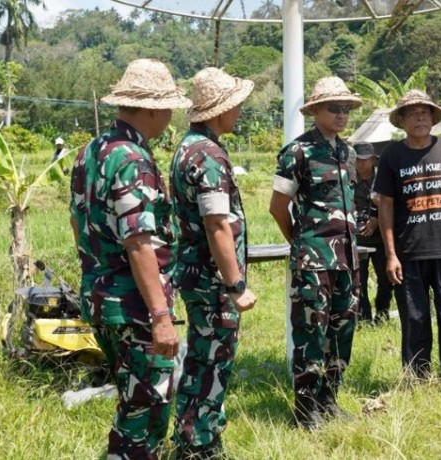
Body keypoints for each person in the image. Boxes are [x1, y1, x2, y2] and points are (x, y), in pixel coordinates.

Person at [69, 58, 190, 459]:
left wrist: (95, 274)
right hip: (134, 305)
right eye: (169, 107)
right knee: (146, 405)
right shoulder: (133, 159)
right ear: (153, 109)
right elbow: (139, 242)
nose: (171, 117)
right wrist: (160, 317)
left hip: (103, 296)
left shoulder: (90, 151)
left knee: (135, 396)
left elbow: (76, 221)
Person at [169, 68, 257, 459]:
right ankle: (200, 444)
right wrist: (235, 284)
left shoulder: (188, 147)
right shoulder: (207, 154)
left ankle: (192, 436)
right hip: (211, 279)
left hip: (195, 272)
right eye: (234, 104)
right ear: (219, 110)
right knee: (213, 362)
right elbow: (217, 223)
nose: (239, 110)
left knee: (200, 360)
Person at [375, 89, 441, 405]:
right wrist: (391, 254)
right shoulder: (392, 156)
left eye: (425, 112)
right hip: (408, 254)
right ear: (403, 120)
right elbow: (386, 208)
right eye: (413, 112)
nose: (420, 117)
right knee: (414, 318)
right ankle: (417, 381)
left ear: (433, 117)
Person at [269, 76, 362, 430]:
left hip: (348, 260)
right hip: (313, 260)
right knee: (311, 332)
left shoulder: (348, 151)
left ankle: (329, 400)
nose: (342, 114)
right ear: (316, 112)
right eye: (334, 108)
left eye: (346, 108)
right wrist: (301, 242)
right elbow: (278, 207)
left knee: (343, 331)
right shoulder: (298, 151)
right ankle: (306, 410)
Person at [353, 141, 393, 324]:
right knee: (358, 281)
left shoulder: (382, 179)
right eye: (358, 160)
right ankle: (363, 318)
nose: (361, 164)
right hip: (357, 239)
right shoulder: (347, 179)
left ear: (373, 161)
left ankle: (382, 313)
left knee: (385, 279)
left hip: (380, 238)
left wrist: (377, 219)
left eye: (365, 160)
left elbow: (392, 204)